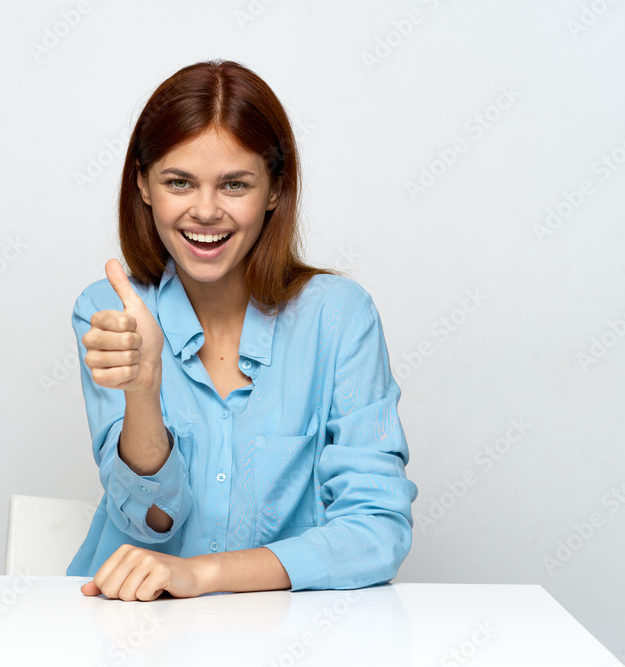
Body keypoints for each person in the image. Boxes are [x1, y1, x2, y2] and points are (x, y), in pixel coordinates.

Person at [67, 59, 417, 601]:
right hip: (131, 624)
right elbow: (148, 521)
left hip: (289, 636)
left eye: (234, 185)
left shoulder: (340, 317)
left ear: (275, 190)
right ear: (142, 184)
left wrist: (202, 574)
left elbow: (376, 533)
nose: (205, 211)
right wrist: (143, 393)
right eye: (179, 182)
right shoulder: (110, 310)